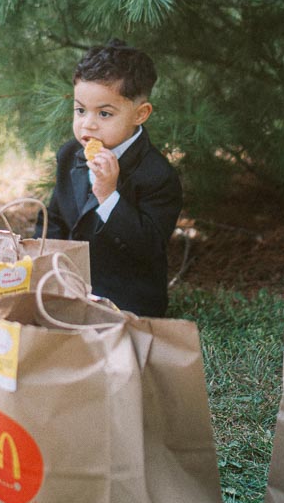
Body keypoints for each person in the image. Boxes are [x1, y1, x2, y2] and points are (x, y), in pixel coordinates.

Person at [41, 38, 182, 316]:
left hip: (126, 297)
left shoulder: (158, 175)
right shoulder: (71, 154)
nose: (88, 123)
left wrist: (108, 196)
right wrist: (41, 263)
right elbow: (55, 217)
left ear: (140, 114)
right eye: (80, 110)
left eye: (104, 113)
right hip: (68, 284)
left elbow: (149, 247)